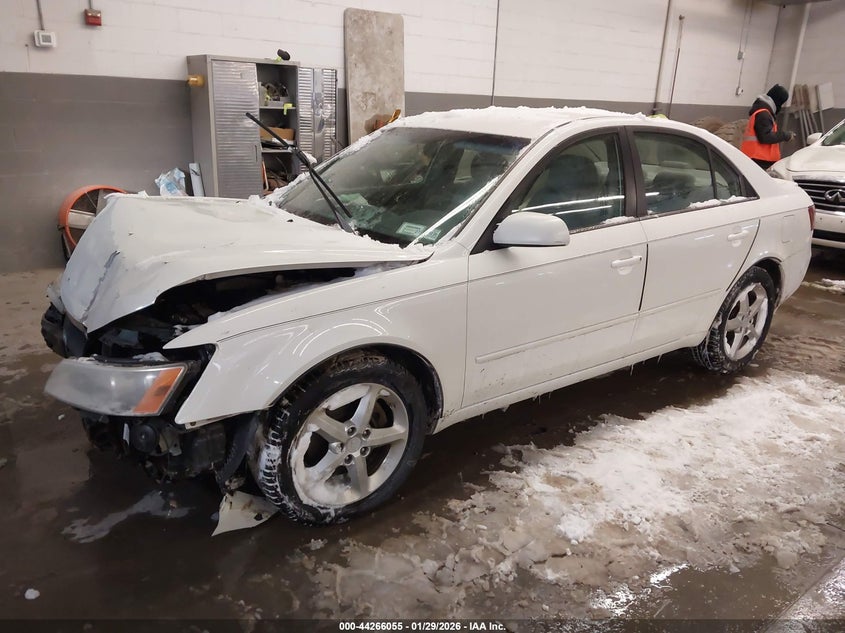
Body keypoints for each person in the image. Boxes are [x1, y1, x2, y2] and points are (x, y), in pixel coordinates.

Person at [740, 84, 795, 169]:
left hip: (757, 159)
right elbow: (765, 137)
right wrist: (785, 135)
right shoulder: (763, 114)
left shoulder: (763, 112)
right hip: (759, 160)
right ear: (777, 101)